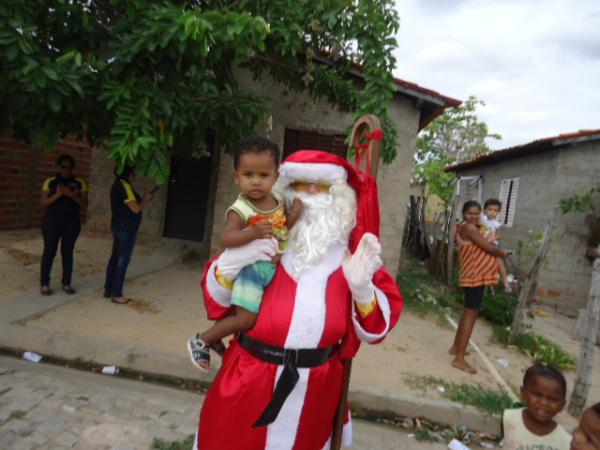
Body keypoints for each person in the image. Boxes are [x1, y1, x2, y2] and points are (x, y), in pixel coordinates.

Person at [195, 148, 403, 449]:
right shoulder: (262, 237)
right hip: (250, 378)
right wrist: (229, 264)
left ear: (341, 196)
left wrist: (362, 289)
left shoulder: (356, 253)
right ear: (282, 189)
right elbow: (216, 301)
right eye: (299, 185)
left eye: (322, 187)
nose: (309, 193)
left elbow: (376, 329)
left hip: (315, 389)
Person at [187, 136, 303, 371]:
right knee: (245, 319)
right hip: (251, 272)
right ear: (236, 176)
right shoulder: (241, 209)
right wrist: (253, 233)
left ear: (276, 177)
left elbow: (279, 232)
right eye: (248, 175)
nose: (256, 182)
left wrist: (293, 218)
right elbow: (226, 238)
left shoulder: (278, 200)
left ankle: (219, 339)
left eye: (264, 175)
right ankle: (202, 340)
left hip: (269, 269)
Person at [449, 200, 511, 374]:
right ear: (464, 214)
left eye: (477, 213)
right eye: (470, 213)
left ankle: (456, 347)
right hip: (475, 277)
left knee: (467, 312)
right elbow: (489, 248)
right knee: (471, 314)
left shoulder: (467, 227)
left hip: (473, 276)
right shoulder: (469, 228)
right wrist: (502, 252)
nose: (474, 216)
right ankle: (459, 359)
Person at [104, 165, 154, 305]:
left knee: (115, 257)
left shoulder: (117, 185)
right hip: (126, 228)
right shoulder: (125, 186)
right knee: (122, 259)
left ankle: (108, 288)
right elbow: (136, 209)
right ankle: (117, 293)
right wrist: (145, 200)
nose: (135, 174)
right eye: (133, 171)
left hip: (118, 225)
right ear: (129, 173)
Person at [40, 154, 88, 296]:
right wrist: (58, 194)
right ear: (58, 167)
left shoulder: (80, 183)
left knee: (67, 252)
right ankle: (44, 283)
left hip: (71, 222)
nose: (66, 170)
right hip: (51, 221)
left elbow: (84, 206)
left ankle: (66, 283)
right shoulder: (50, 182)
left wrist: (73, 196)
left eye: (69, 167)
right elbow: (43, 203)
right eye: (63, 167)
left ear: (72, 168)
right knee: (49, 251)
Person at [502, 364, 571, 450]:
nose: (543, 402)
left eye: (553, 399)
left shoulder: (566, 441)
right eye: (537, 394)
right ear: (524, 393)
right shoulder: (508, 418)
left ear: (562, 405)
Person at [480, 198, 510, 292]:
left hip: (493, 245)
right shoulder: (481, 219)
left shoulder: (496, 224)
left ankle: (505, 279)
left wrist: (494, 238)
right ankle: (488, 284)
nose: (492, 212)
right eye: (490, 209)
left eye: (495, 210)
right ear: (484, 210)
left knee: (498, 260)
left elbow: (498, 236)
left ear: (498, 212)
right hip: (482, 243)